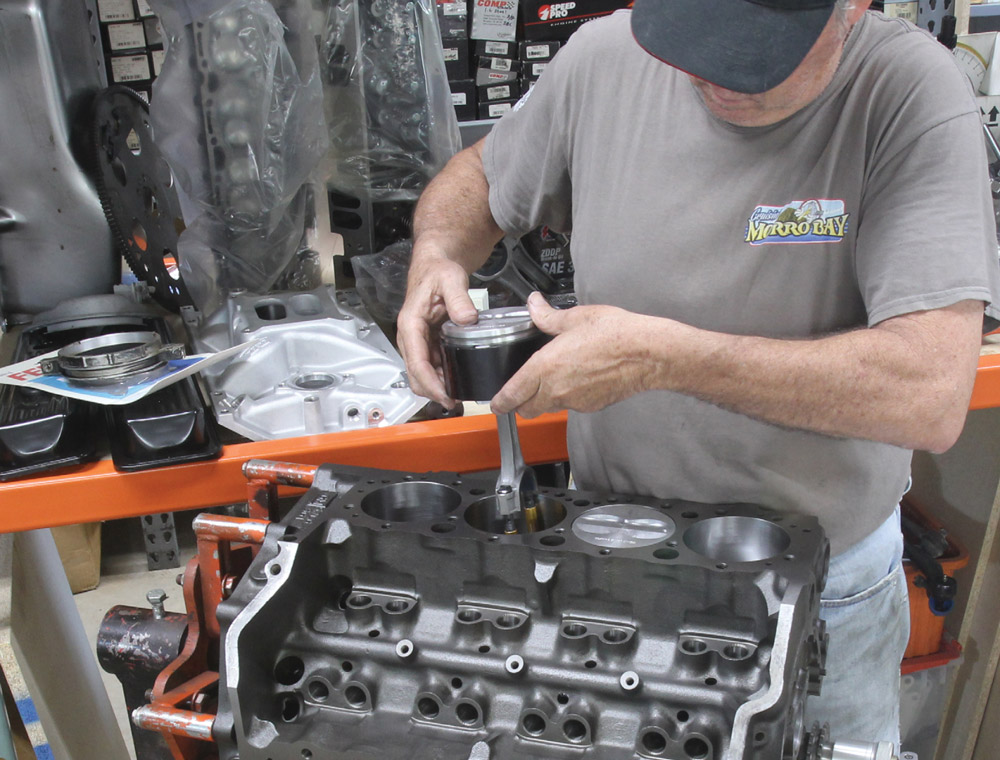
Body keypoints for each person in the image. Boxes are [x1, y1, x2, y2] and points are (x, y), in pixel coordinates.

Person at [397, 0, 1000, 746]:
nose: (715, 72)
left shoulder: (910, 93)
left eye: (754, 52)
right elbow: (482, 177)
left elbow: (930, 391)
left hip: (821, 595)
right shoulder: (603, 59)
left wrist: (663, 359)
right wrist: (437, 253)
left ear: (852, 9)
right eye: (694, 36)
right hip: (611, 572)